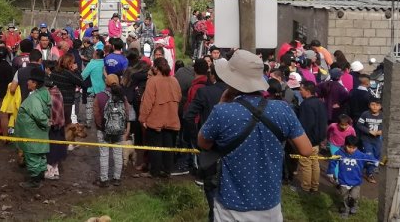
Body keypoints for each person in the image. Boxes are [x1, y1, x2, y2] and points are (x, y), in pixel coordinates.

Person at [198, 50, 313, 221]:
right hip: (270, 205)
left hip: (231, 206)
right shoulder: (283, 110)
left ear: (232, 81)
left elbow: (203, 142)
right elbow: (306, 149)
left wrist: (222, 102)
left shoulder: (222, 112)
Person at [141, 56, 182, 178]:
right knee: (168, 148)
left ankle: (155, 172)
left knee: (155, 148)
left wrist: (143, 118)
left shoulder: (152, 81)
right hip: (172, 119)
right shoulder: (174, 81)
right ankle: (167, 171)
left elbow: (147, 103)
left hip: (156, 120)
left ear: (156, 68)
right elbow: (179, 98)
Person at [94, 73, 133, 186]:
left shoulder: (100, 96)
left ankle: (104, 179)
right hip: (119, 130)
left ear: (106, 82)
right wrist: (124, 126)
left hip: (104, 130)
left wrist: (101, 127)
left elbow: (96, 114)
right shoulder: (122, 96)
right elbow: (126, 112)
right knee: (117, 153)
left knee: (104, 154)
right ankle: (117, 178)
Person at [15, 66, 51, 188]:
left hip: (32, 134)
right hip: (38, 133)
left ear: (35, 83)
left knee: (32, 157)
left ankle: (35, 181)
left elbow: (39, 115)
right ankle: (40, 177)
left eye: (29, 80)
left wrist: (47, 122)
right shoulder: (43, 94)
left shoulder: (34, 99)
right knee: (40, 155)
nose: (27, 82)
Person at [297, 81, 329, 194]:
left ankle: (305, 187)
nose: (300, 91)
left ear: (307, 90)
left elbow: (306, 124)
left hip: (308, 140)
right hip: (318, 139)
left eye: (301, 89)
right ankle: (314, 186)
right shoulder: (320, 102)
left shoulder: (306, 104)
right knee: (315, 164)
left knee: (306, 164)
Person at [335, 135, 376, 218]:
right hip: (343, 180)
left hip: (356, 181)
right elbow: (333, 161)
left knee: (354, 196)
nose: (351, 149)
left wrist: (376, 162)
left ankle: (354, 205)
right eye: (349, 147)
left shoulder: (360, 155)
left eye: (354, 148)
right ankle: (346, 210)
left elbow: (369, 158)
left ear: (357, 147)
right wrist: (330, 171)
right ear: (345, 145)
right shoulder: (339, 153)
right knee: (345, 197)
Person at [356, 99, 383, 178]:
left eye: (377, 105)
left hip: (377, 139)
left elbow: (387, 126)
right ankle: (369, 172)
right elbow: (359, 125)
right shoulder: (365, 114)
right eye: (373, 105)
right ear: (369, 105)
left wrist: (381, 131)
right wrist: (369, 131)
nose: (375, 107)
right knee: (369, 154)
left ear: (380, 107)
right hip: (366, 139)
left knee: (377, 154)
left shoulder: (383, 115)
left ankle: (369, 170)